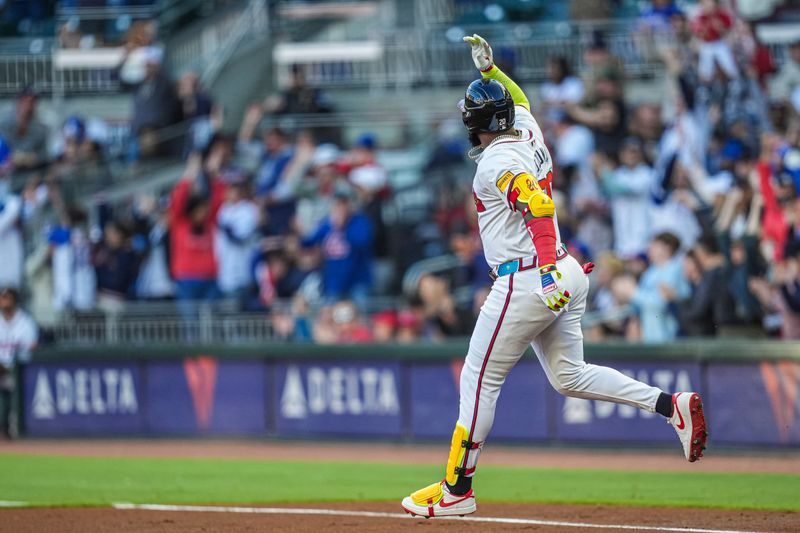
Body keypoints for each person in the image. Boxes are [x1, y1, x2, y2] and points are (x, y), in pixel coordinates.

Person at [401, 35, 708, 519]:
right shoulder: (524, 128)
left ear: (478, 124)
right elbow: (518, 101)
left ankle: (457, 489)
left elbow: (537, 204)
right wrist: (491, 72)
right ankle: (671, 406)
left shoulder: (496, 161)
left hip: (531, 275)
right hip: (564, 267)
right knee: (569, 376)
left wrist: (544, 271)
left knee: (479, 378)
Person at [0, 288, 38, 439]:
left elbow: (30, 348)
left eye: (7, 298)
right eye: (2, 298)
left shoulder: (25, 322)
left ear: (14, 300)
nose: (4, 301)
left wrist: (8, 366)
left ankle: (13, 428)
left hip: (19, 370)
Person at [0, 86, 48, 171]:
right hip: (6, 173)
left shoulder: (40, 129)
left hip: (29, 174)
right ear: (19, 102)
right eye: (26, 100)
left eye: (32, 101)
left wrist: (25, 159)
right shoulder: (4, 124)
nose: (28, 105)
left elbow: (44, 157)